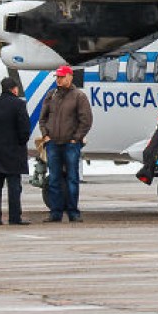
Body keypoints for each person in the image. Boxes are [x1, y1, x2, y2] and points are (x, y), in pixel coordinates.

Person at [40, 65, 93, 222]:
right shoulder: (51, 95)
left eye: (62, 77)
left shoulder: (79, 96)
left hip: (71, 145)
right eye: (57, 77)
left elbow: (86, 120)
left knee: (72, 178)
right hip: (53, 144)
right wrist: (46, 136)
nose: (59, 79)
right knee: (54, 179)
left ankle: (73, 212)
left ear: (70, 77)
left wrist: (76, 138)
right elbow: (42, 118)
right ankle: (55, 213)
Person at [0, 77, 32, 225]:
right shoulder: (19, 104)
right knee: (14, 186)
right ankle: (14, 217)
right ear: (14, 89)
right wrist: (21, 142)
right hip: (14, 152)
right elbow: (25, 128)